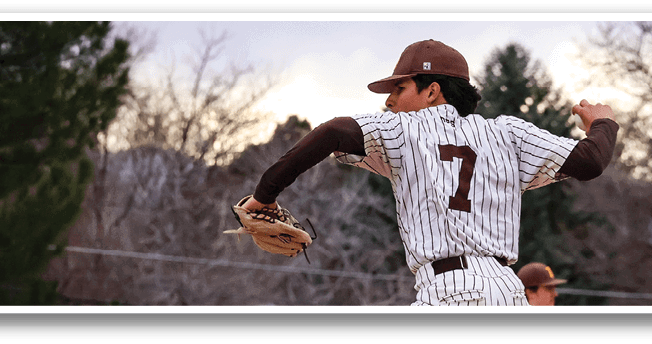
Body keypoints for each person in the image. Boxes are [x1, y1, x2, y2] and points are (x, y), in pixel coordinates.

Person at [243, 39, 618, 306]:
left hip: (453, 291)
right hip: (507, 292)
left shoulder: (404, 131)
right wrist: (603, 123)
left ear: (432, 91)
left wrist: (264, 195)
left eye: (399, 88)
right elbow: (590, 160)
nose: (388, 101)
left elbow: (334, 132)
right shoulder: (508, 133)